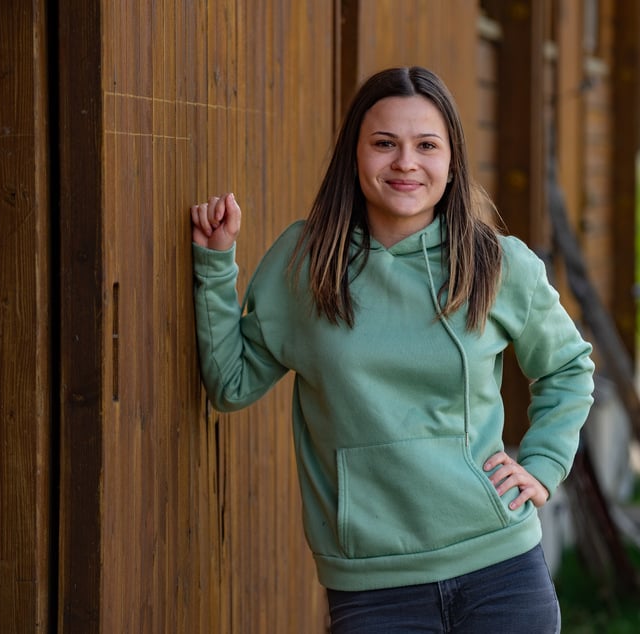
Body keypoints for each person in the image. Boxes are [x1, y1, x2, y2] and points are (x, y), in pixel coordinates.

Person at [190, 66, 594, 633]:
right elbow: (231, 383)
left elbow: (568, 367)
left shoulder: (496, 264)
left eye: (426, 145)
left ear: (452, 161)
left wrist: (544, 464)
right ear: (354, 156)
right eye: (384, 143)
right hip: (373, 587)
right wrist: (214, 265)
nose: (406, 163)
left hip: (501, 570)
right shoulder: (306, 265)